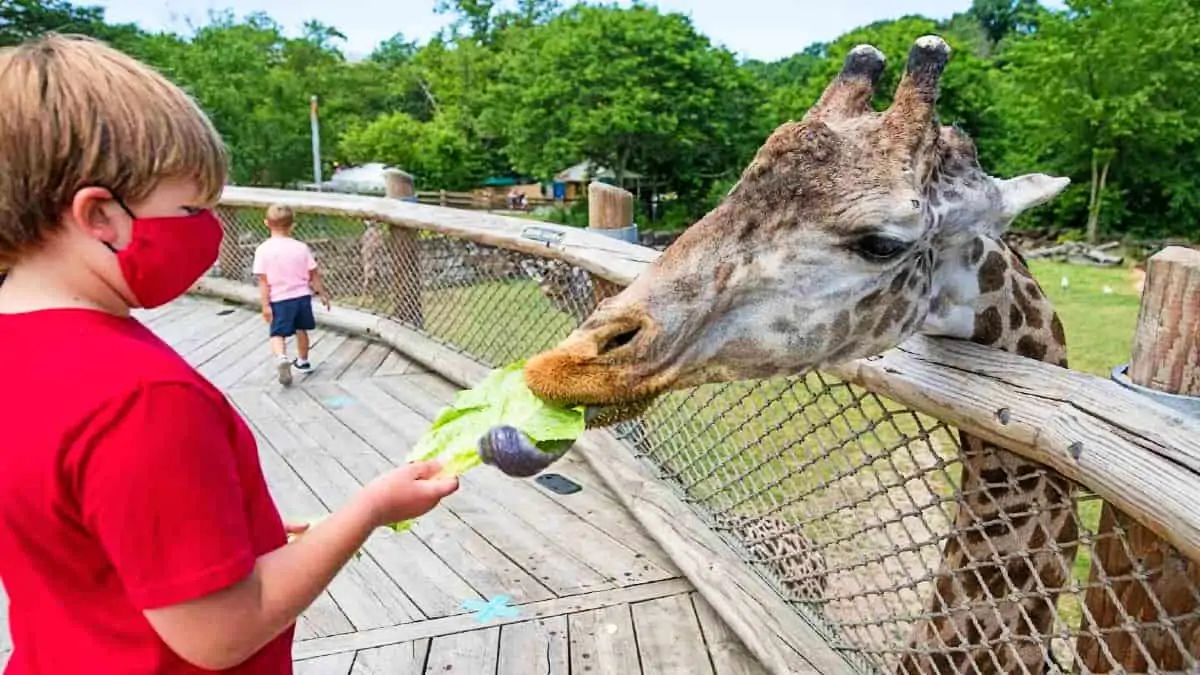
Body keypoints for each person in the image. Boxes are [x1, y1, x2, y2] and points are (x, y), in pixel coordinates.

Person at [0, 34, 459, 674]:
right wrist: (368, 510)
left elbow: (84, 544)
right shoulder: (141, 398)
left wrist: (244, 540)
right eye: (190, 208)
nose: (207, 230)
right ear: (100, 215)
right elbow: (217, 634)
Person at [251, 204, 330, 386]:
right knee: (301, 329)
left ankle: (281, 357)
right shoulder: (301, 248)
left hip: (279, 298)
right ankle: (303, 361)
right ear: (293, 225)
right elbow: (313, 274)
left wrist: (265, 305)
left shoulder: (263, 250)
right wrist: (322, 293)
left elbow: (263, 281)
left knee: (277, 333)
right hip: (302, 297)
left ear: (266, 223)